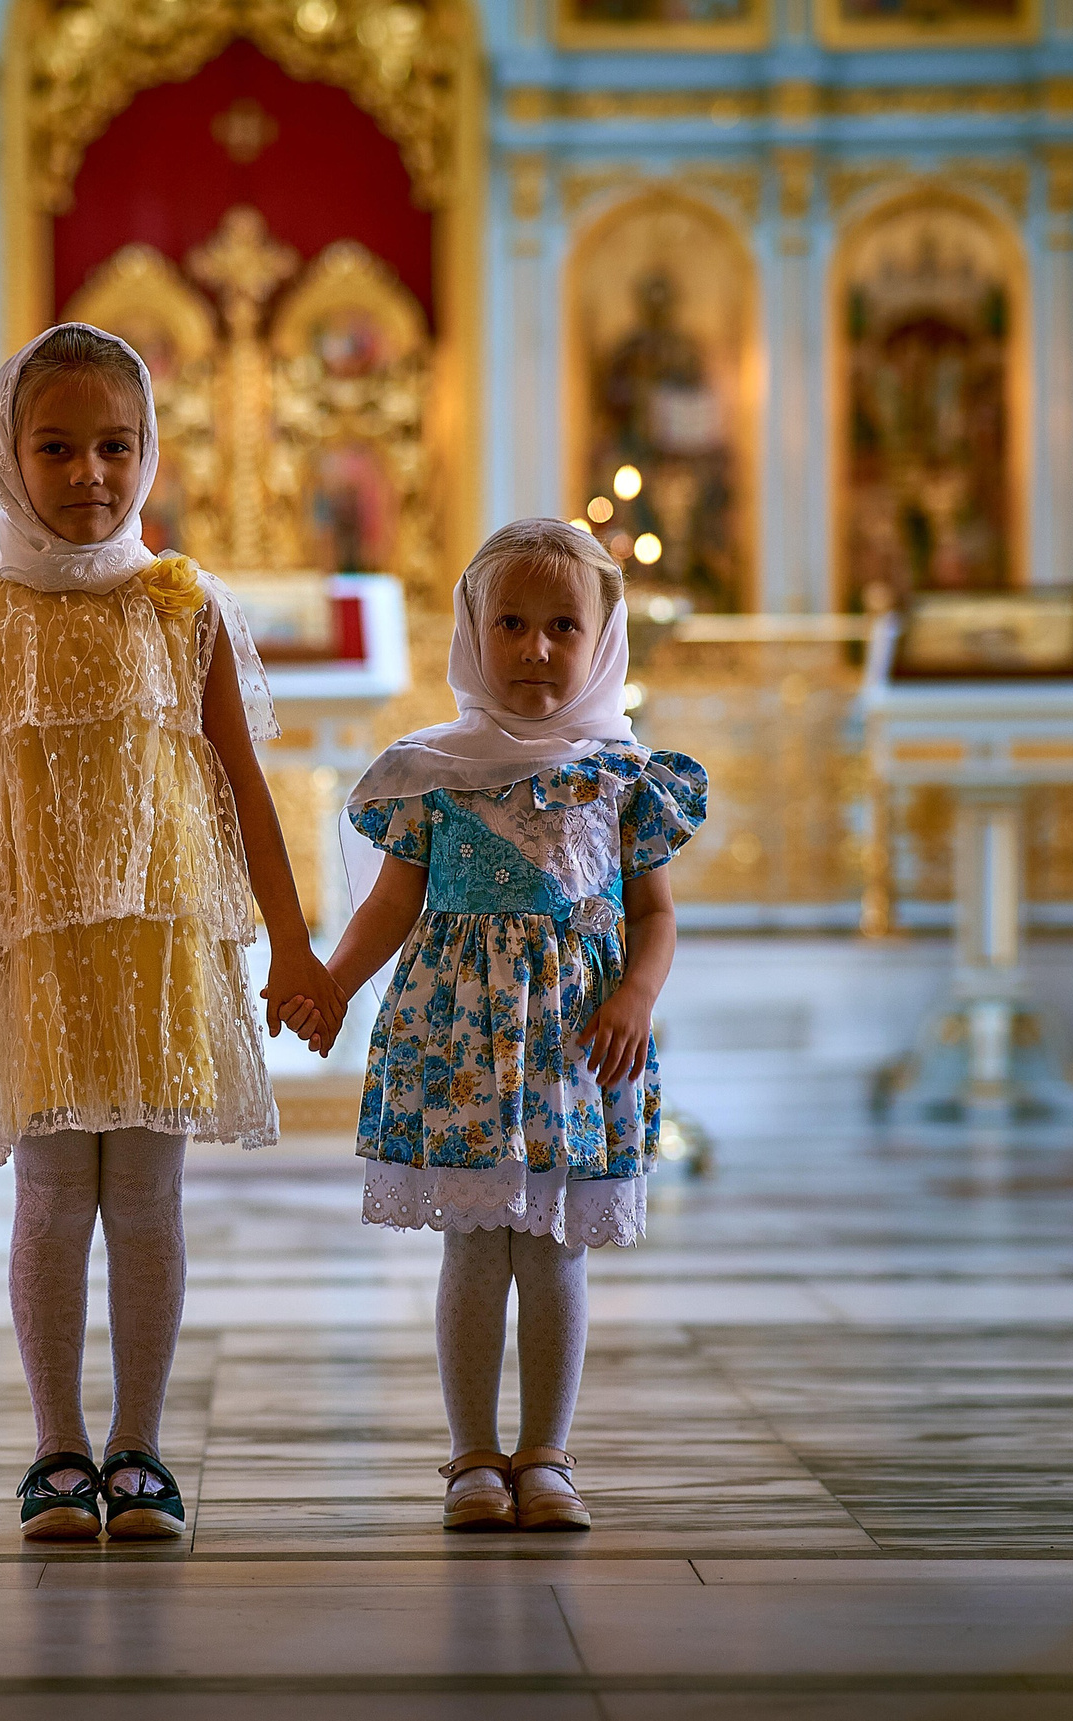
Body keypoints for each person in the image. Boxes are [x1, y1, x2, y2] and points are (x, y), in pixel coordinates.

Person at [0, 323, 341, 1541]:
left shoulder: (181, 603)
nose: (89, 473)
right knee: (51, 1195)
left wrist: (296, 947)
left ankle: (140, 1445)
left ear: (150, 451)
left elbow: (240, 788)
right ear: (8, 455)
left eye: (115, 444)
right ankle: (56, 1445)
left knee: (147, 1201)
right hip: (34, 951)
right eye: (56, 446)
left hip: (164, 944)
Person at [288, 517, 705, 1533]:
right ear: (472, 632)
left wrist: (635, 998)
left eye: (564, 626)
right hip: (460, 1040)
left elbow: (653, 915)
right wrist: (332, 982)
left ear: (600, 638)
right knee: (476, 1246)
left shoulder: (621, 775)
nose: (535, 648)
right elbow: (390, 905)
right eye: (510, 623)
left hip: (575, 1044)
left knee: (555, 1246)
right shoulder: (433, 770)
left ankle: (548, 1454)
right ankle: (474, 1454)